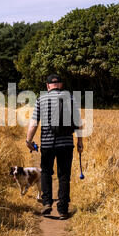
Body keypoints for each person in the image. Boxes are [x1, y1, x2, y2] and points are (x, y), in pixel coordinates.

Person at [26, 74, 83, 219]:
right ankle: (63, 210)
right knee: (64, 175)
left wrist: (28, 140)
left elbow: (34, 123)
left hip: (47, 143)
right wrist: (80, 141)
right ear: (61, 85)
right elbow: (78, 122)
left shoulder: (41, 99)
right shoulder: (70, 98)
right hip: (66, 144)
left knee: (46, 172)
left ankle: (47, 203)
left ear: (47, 86)